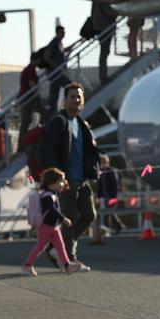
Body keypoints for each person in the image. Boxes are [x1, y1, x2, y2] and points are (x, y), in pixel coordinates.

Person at [42, 82, 100, 271]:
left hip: (81, 178)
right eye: (72, 96)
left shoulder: (82, 124)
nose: (76, 100)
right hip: (66, 179)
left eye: (79, 97)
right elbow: (48, 150)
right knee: (69, 218)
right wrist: (57, 178)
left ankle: (55, 248)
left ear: (83, 102)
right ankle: (69, 259)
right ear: (65, 101)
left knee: (89, 215)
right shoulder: (59, 121)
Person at [20, 168, 82, 276]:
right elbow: (52, 210)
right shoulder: (47, 196)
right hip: (46, 226)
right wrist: (63, 219)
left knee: (60, 246)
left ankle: (67, 265)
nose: (62, 184)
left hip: (54, 226)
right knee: (40, 246)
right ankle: (27, 265)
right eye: (60, 181)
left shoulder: (53, 193)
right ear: (52, 182)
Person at [18, 52, 48, 146]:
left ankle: (22, 144)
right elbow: (32, 86)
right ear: (35, 60)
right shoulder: (30, 70)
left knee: (26, 121)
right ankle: (40, 130)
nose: (39, 62)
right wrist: (39, 97)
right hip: (29, 99)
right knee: (45, 112)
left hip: (26, 98)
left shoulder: (29, 69)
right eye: (39, 60)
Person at [44, 25, 72, 117]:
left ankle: (51, 115)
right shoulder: (54, 43)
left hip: (57, 74)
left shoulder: (59, 43)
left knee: (54, 97)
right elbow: (46, 57)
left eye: (64, 32)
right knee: (70, 87)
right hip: (55, 74)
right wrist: (56, 67)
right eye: (61, 32)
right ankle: (51, 116)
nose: (63, 34)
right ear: (57, 33)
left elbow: (62, 52)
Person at [97, 154, 126, 234]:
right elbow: (100, 185)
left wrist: (115, 195)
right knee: (109, 212)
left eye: (103, 162)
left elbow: (115, 184)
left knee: (108, 213)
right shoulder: (101, 172)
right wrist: (99, 196)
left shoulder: (111, 171)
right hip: (105, 196)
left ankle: (109, 229)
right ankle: (118, 226)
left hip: (112, 195)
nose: (102, 165)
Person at [91, 2, 118, 83]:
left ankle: (103, 75)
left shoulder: (95, 0)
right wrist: (119, 11)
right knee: (104, 53)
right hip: (105, 28)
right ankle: (103, 76)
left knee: (104, 53)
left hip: (100, 28)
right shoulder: (102, 0)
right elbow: (109, 12)